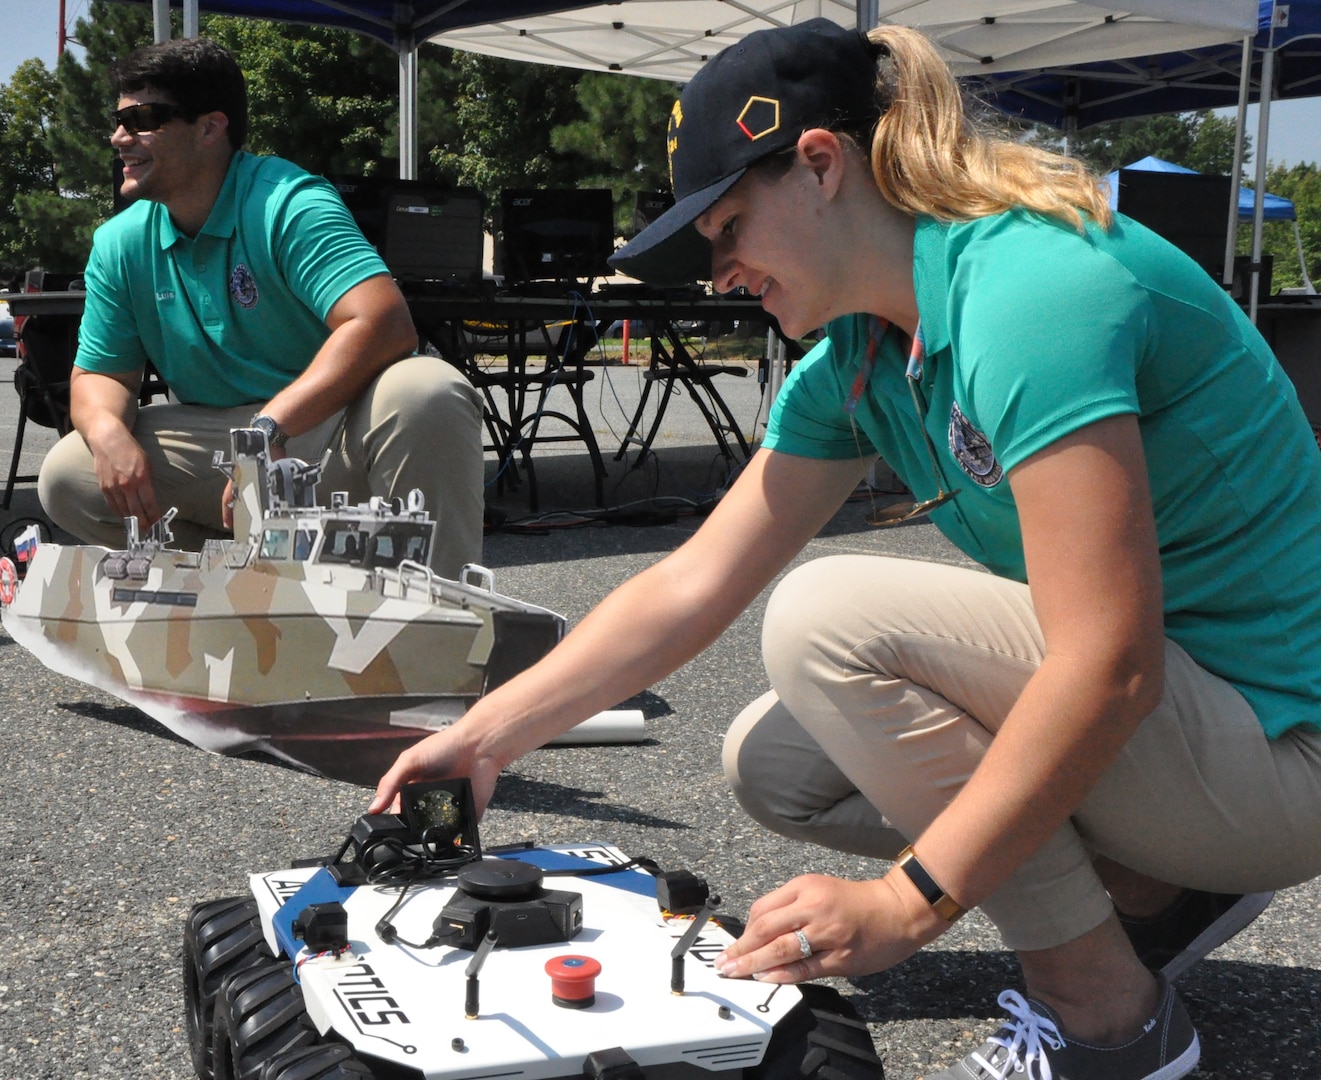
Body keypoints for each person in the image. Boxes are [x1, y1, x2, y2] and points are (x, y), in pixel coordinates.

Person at [371, 19, 1321, 1079]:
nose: (720, 273)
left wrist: (904, 904)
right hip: (1197, 733)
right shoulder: (862, 355)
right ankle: (1156, 892)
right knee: (778, 765)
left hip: (1286, 746)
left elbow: (1112, 663)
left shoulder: (1031, 286)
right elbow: (692, 580)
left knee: (830, 622)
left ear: (819, 165)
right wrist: (490, 736)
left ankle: (1109, 1016)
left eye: (727, 229)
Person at [37, 37, 484, 579]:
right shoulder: (119, 241)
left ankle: (438, 631)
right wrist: (108, 434)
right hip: (224, 443)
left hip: (326, 430)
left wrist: (270, 430)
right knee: (69, 472)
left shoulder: (290, 201)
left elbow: (383, 322)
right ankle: (240, 595)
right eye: (118, 120)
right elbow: (99, 376)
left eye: (143, 118)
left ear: (210, 127)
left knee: (425, 390)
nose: (118, 137)